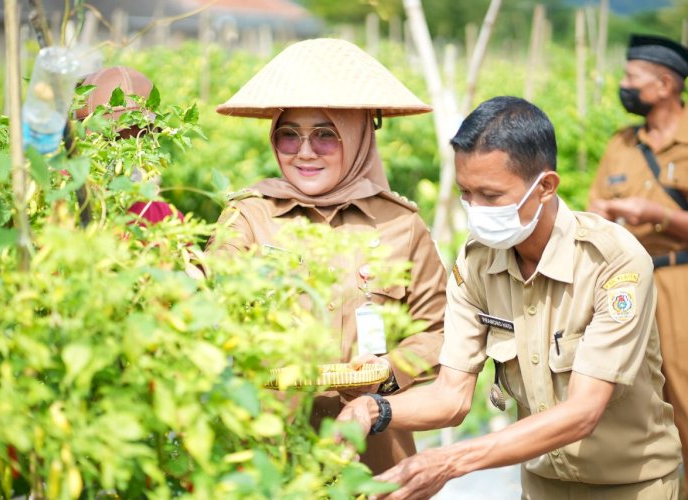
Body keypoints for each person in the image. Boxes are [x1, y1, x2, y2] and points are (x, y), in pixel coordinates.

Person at [338, 96, 682, 499]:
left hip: (631, 487)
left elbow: (583, 412)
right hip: (540, 488)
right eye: (467, 193)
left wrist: (449, 461)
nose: (476, 209)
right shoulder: (477, 264)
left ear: (545, 187)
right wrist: (373, 409)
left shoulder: (612, 262)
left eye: (491, 195)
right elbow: (452, 395)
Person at [212, 38, 447, 474]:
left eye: (325, 135)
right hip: (267, 450)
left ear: (358, 136)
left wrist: (388, 371)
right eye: (289, 135)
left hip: (372, 452)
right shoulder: (248, 217)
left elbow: (437, 329)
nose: (304, 152)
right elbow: (208, 304)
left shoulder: (401, 224)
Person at [588, 34, 688, 475]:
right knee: (634, 399)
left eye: (633, 77)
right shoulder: (620, 144)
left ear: (665, 84)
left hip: (679, 281)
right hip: (627, 288)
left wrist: (656, 214)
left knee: (684, 396)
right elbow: (593, 208)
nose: (624, 84)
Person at [74, 65, 184, 225]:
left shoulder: (163, 216)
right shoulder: (66, 197)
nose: (129, 150)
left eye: (141, 136)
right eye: (114, 138)